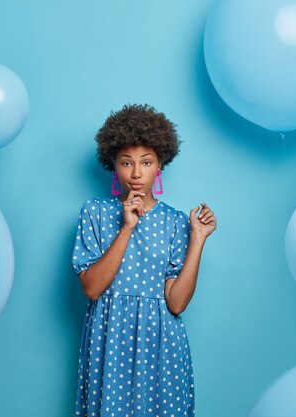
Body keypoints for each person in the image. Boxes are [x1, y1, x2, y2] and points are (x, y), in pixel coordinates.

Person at [72, 104, 217, 416]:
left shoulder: (176, 222)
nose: (136, 173)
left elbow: (176, 303)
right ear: (113, 164)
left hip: (161, 343)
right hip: (108, 338)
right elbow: (92, 288)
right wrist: (127, 228)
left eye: (146, 162)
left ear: (159, 164)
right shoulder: (94, 213)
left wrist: (198, 239)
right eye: (126, 163)